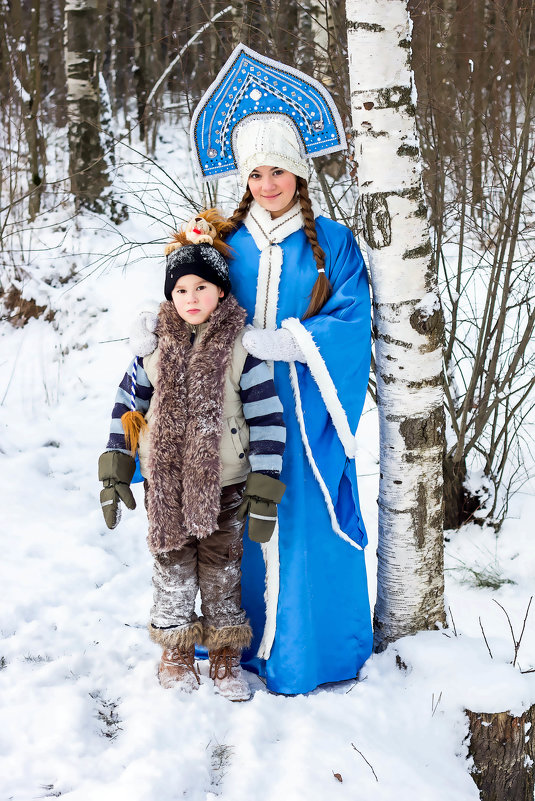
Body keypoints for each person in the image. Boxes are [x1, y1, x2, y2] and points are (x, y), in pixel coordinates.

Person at [133, 46, 374, 694]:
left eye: (278, 170)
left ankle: (308, 655)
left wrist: (285, 342)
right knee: (226, 533)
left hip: (304, 413)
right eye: (255, 172)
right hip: (235, 419)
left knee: (300, 527)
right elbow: (188, 304)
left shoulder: (333, 242)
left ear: (299, 172)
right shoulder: (222, 245)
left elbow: (353, 321)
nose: (266, 184)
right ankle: (223, 650)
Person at [98, 211, 286, 701]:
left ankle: (226, 658)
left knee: (223, 572)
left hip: (226, 483)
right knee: (171, 569)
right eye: (181, 290)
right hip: (165, 484)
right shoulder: (153, 348)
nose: (191, 298)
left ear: (221, 291)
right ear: (170, 296)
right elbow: (127, 407)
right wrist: (117, 462)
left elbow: (267, 417)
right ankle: (177, 651)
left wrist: (265, 484)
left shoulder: (242, 348)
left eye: (202, 287)